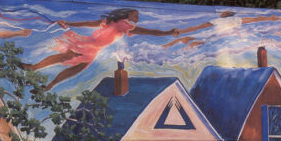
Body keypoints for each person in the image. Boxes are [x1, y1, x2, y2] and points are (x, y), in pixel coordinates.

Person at [25, 8, 180, 90]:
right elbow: (150, 32)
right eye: (135, 15)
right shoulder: (123, 25)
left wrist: (70, 23)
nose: (137, 18)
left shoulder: (113, 23)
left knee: (72, 68)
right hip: (89, 45)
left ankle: (44, 80)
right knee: (66, 60)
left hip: (93, 50)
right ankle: (36, 70)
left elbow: (88, 23)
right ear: (127, 15)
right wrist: (168, 32)